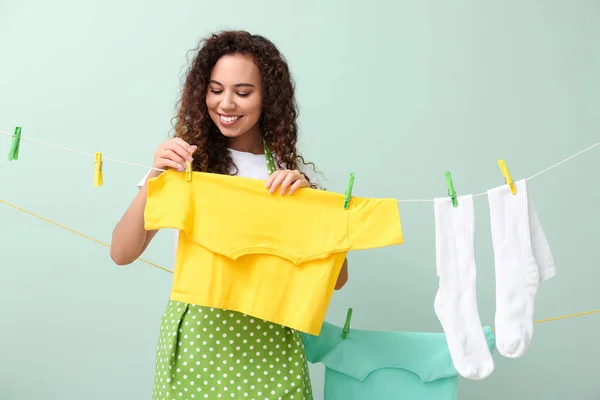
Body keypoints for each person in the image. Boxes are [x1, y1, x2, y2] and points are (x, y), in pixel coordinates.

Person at [110, 30, 348, 400]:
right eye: (215, 89)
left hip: (272, 340)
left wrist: (309, 207)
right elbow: (122, 253)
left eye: (243, 92)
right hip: (199, 340)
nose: (226, 103)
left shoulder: (289, 176)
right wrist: (155, 174)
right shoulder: (183, 165)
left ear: (267, 97)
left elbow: (337, 279)